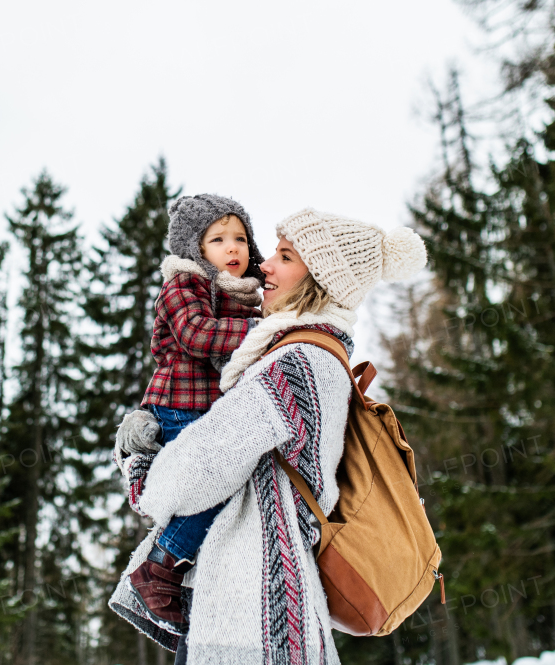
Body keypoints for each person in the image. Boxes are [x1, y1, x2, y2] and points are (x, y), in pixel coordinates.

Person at [112, 208, 427, 664]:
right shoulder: (322, 355)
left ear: (319, 277)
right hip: (278, 606)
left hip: (250, 616)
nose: (265, 265)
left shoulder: (294, 362)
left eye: (285, 256)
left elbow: (194, 470)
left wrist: (137, 460)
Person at [123, 193, 267, 626]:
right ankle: (160, 567)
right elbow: (196, 334)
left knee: (230, 491)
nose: (232, 248)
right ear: (194, 249)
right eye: (217, 239)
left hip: (215, 410)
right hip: (181, 404)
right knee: (215, 482)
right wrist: (260, 332)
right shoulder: (182, 284)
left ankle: (196, 578)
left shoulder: (242, 295)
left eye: (240, 238)